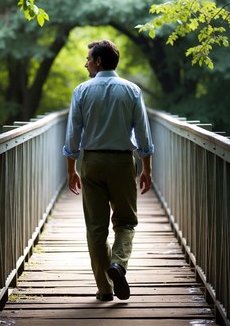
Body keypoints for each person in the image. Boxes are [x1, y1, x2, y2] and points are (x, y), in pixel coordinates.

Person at [63, 39, 154, 302]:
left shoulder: (81, 91)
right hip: (123, 163)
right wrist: (147, 167)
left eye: (88, 59)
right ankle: (119, 263)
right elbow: (144, 135)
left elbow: (72, 137)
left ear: (98, 61)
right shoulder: (132, 91)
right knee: (125, 222)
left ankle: (104, 289)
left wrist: (72, 169)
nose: (86, 63)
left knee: (96, 228)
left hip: (91, 163)